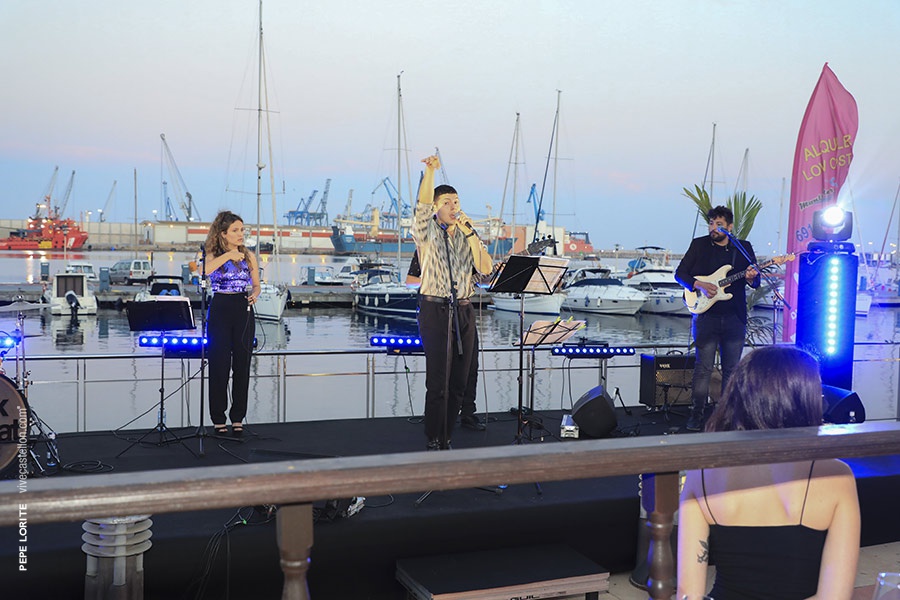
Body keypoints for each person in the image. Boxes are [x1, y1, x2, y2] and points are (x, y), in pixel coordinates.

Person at [677, 346, 861, 600]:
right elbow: (835, 597)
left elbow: (688, 593)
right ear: (803, 401)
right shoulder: (836, 475)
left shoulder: (702, 473)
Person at [413, 154, 493, 450]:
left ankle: (447, 435)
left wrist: (471, 233)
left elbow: (485, 268)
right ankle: (434, 436)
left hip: (464, 308)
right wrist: (429, 172)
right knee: (439, 381)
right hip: (435, 308)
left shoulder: (467, 235)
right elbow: (422, 206)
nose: (453, 207)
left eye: (456, 202)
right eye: (446, 202)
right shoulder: (428, 232)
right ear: (437, 207)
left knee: (460, 380)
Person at [675, 206, 759, 431]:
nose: (714, 228)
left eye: (719, 224)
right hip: (706, 316)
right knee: (703, 368)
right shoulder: (699, 245)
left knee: (731, 370)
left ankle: (726, 417)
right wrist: (699, 284)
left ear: (729, 227)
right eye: (711, 223)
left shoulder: (743, 248)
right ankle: (696, 415)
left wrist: (751, 277)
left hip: (734, 317)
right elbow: (679, 274)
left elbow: (755, 282)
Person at [407, 249, 486, 432]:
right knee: (439, 373)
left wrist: (493, 274)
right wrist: (438, 284)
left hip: (464, 310)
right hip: (438, 311)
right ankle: (436, 422)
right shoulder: (426, 249)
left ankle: (467, 413)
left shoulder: (467, 249)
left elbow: (482, 280)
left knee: (471, 366)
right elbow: (411, 281)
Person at [204, 211, 261, 437]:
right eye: (235, 230)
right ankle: (218, 418)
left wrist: (255, 293)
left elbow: (256, 284)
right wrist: (229, 255)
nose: (241, 234)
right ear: (223, 233)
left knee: (242, 365)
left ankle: (237, 417)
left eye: (242, 230)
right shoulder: (213, 254)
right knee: (219, 365)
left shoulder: (248, 255)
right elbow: (206, 271)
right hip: (220, 307)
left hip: (242, 308)